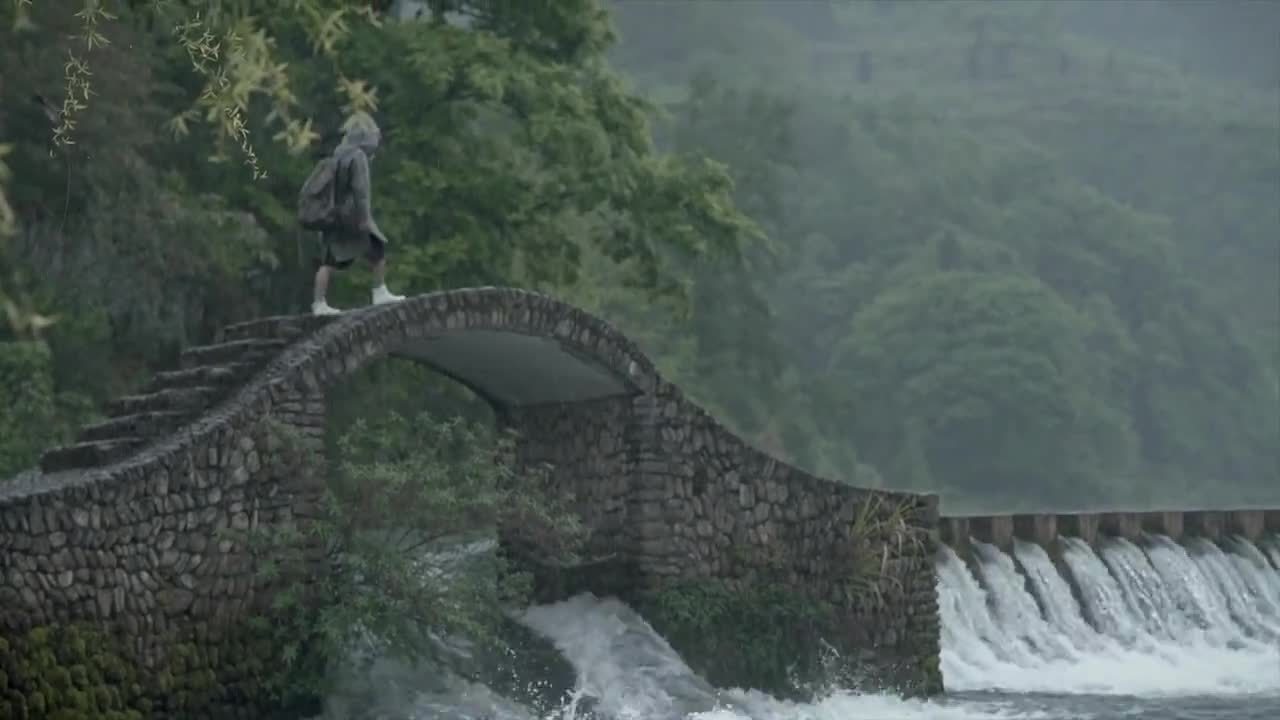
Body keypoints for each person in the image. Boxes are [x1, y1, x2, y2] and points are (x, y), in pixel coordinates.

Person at [311, 114, 404, 315]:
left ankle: (318, 304)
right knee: (378, 248)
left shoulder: (337, 155)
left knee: (329, 261)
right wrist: (365, 219)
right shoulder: (358, 157)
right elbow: (361, 191)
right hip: (352, 216)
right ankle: (379, 292)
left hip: (333, 217)